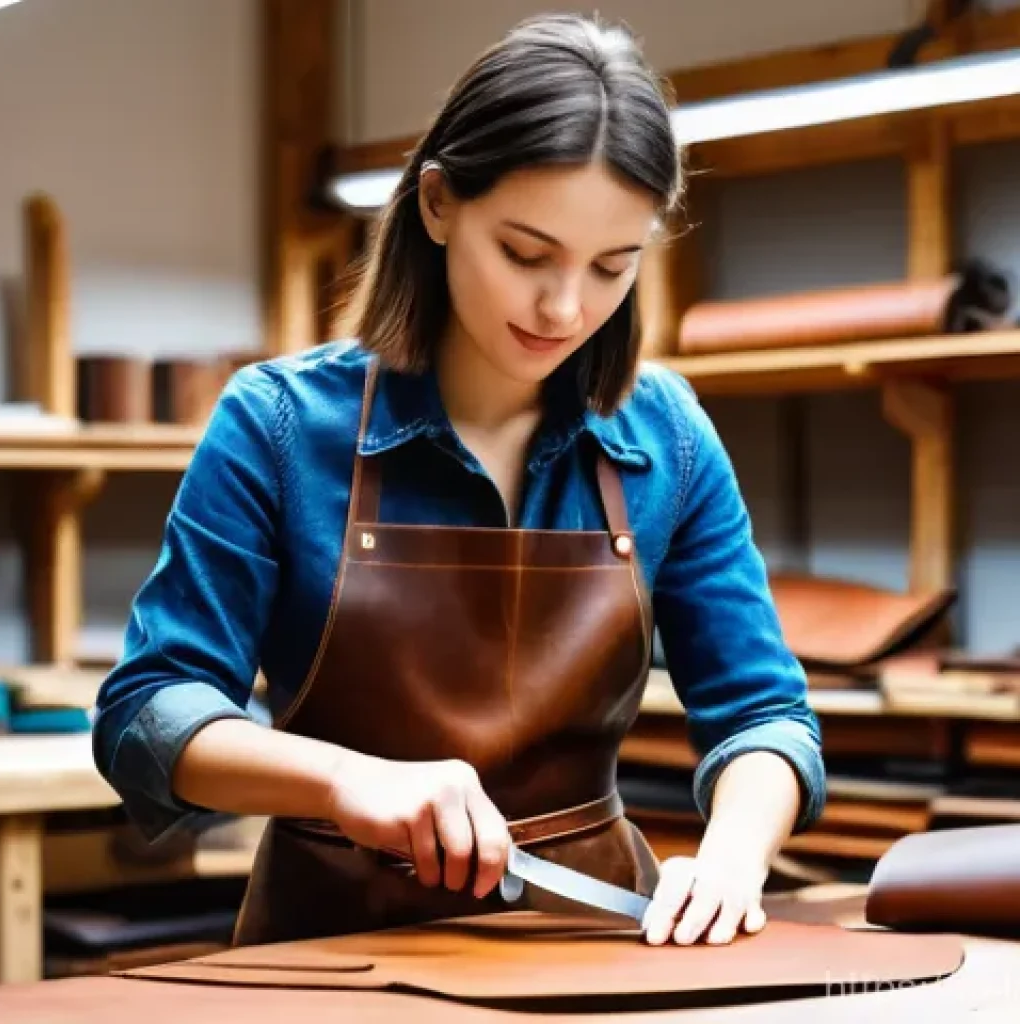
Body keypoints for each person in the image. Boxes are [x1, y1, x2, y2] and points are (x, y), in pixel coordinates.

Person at [92, 13, 825, 950]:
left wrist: (731, 855)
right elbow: (150, 708)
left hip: (593, 949)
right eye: (526, 254)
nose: (566, 308)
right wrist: (345, 780)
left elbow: (765, 714)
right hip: (329, 955)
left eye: (613, 266)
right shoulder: (276, 426)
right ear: (438, 204)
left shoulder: (668, 437)